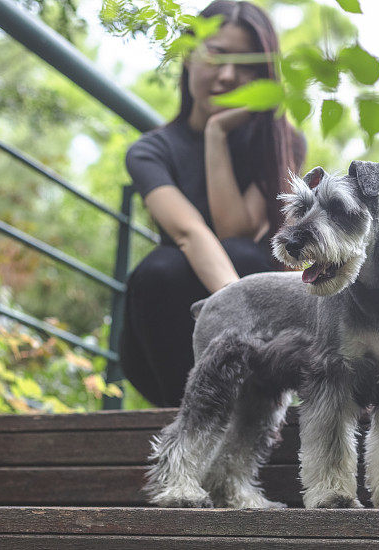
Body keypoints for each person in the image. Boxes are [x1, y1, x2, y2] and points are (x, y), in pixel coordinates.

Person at [120, 0, 306, 407]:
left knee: (245, 253)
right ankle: (186, 417)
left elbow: (235, 233)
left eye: (246, 65)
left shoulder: (279, 143)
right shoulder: (151, 151)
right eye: (217, 56)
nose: (227, 76)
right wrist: (239, 310)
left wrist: (217, 135)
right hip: (169, 332)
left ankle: (253, 411)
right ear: (188, 57)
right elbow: (189, 233)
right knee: (159, 269)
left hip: (252, 344)